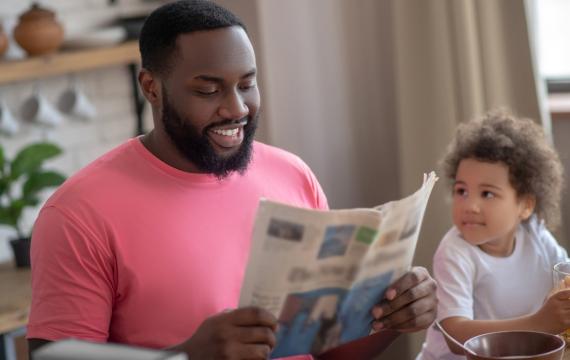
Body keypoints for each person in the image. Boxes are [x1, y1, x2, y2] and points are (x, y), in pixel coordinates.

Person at [27, 1, 437, 359]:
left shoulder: (291, 174)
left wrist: (393, 318)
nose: (236, 108)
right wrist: (186, 357)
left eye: (247, 84)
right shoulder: (79, 213)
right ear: (151, 87)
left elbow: (326, 350)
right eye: (208, 90)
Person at [416, 109, 570, 360]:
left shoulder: (536, 236)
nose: (469, 205)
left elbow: (563, 281)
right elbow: (456, 335)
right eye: (461, 191)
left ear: (526, 206)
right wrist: (540, 322)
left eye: (487, 194)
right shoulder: (455, 251)